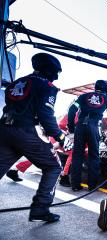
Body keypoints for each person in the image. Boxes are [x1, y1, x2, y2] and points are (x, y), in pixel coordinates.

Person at [0, 52, 72, 222]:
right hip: (26, 132)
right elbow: (46, 116)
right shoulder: (47, 86)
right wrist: (61, 138)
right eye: (56, 73)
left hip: (4, 129)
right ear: (49, 70)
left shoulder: (15, 84)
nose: (56, 77)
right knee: (53, 167)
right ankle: (40, 209)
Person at [68, 80, 107, 191]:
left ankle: (75, 185)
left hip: (80, 126)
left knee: (77, 156)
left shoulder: (83, 96)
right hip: (94, 126)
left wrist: (72, 128)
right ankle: (92, 186)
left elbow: (72, 110)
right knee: (94, 156)